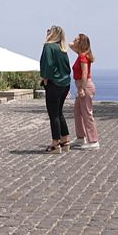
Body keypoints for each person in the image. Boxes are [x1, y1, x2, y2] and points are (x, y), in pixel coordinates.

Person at [39, 25, 72, 154]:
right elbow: (66, 67)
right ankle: (65, 141)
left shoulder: (49, 46)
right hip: (65, 84)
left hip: (54, 84)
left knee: (53, 114)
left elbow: (47, 64)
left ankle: (55, 144)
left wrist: (45, 78)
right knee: (59, 112)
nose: (46, 32)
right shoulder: (62, 48)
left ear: (53, 34)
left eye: (49, 31)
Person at [70, 33, 99, 150]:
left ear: (81, 43)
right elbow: (70, 45)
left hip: (85, 86)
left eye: (76, 39)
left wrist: (81, 89)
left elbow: (85, 73)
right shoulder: (81, 54)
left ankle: (93, 141)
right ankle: (81, 138)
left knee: (87, 113)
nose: (74, 40)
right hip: (81, 87)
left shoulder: (82, 57)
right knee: (77, 111)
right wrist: (77, 41)